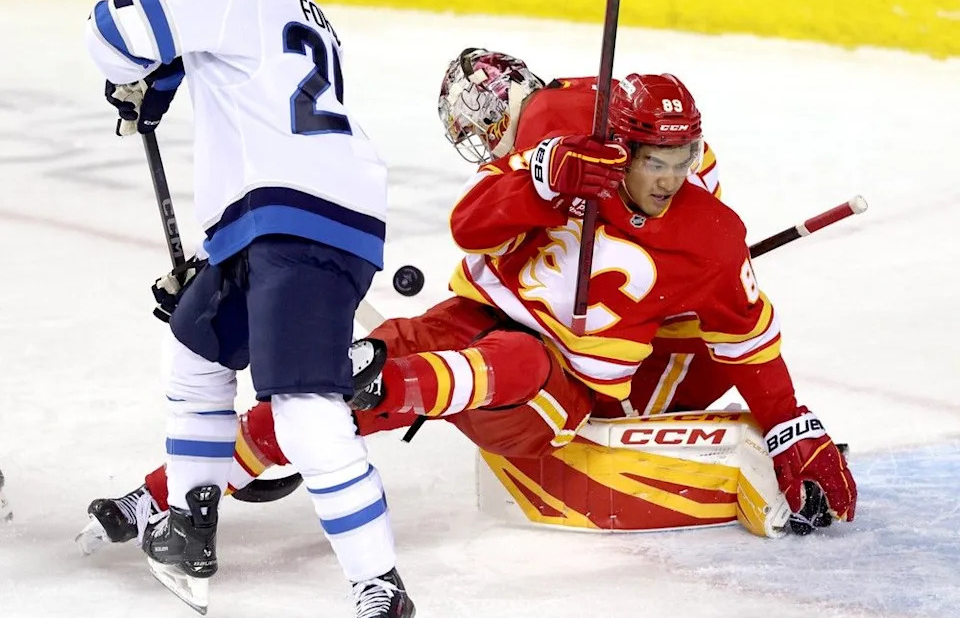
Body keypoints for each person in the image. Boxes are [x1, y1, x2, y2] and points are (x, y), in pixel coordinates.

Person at [82, 51, 853, 551]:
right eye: (654, 160)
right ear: (619, 144)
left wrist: (792, 427)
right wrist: (541, 181)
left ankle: (395, 383)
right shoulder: (562, 140)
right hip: (474, 317)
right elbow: (469, 225)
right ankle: (161, 497)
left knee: (506, 361)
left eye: (683, 159)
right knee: (320, 398)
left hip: (559, 389)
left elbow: (753, 346)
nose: (670, 177)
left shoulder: (713, 237)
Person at [84, 0, 414, 618]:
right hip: (283, 224)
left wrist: (131, 73)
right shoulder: (302, 11)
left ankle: (378, 586)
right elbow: (240, 81)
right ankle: (187, 531)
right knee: (193, 350)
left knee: (302, 409)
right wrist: (163, 82)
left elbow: (115, 29)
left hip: (291, 224)